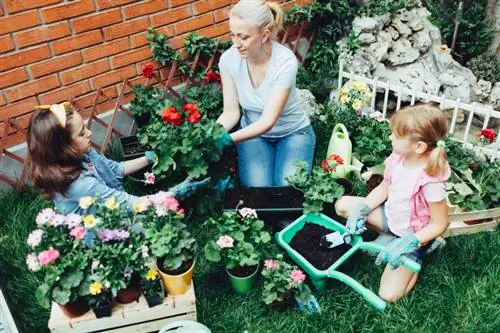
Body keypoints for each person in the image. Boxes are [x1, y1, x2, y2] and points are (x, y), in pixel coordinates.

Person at [334, 103, 451, 302]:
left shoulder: (430, 179)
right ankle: (389, 237)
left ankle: (421, 253)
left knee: (389, 295)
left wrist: (412, 242)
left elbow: (440, 223)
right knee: (342, 206)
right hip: (391, 217)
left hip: (413, 235)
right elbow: (384, 188)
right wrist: (363, 209)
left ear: (419, 146)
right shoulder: (398, 158)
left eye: (396, 136)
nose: (390, 138)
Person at [27, 103, 207, 214]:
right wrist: (175, 193)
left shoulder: (84, 155)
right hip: (100, 235)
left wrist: (149, 158)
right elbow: (134, 204)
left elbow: (114, 170)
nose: (89, 133)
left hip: (113, 209)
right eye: (82, 133)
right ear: (63, 148)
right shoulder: (80, 186)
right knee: (157, 225)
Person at [216, 0, 315, 187]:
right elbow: (231, 113)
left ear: (264, 35)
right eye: (233, 35)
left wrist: (227, 140)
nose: (236, 44)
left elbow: (268, 121)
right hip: (252, 135)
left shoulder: (285, 62)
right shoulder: (228, 60)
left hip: (293, 132)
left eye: (243, 37)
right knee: (258, 190)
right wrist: (211, 135)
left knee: (288, 188)